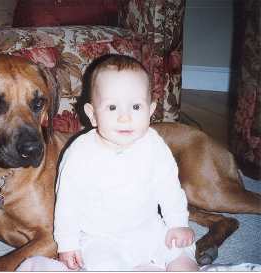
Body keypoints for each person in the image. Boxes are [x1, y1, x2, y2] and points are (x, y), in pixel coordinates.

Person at [17, 54, 198, 271]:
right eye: (112, 108)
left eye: (136, 107)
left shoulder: (154, 144)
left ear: (150, 111)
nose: (125, 117)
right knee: (103, 265)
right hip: (101, 239)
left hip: (149, 229)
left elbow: (169, 187)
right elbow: (67, 203)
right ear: (92, 115)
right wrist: (68, 243)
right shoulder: (80, 153)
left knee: (182, 253)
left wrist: (178, 223)